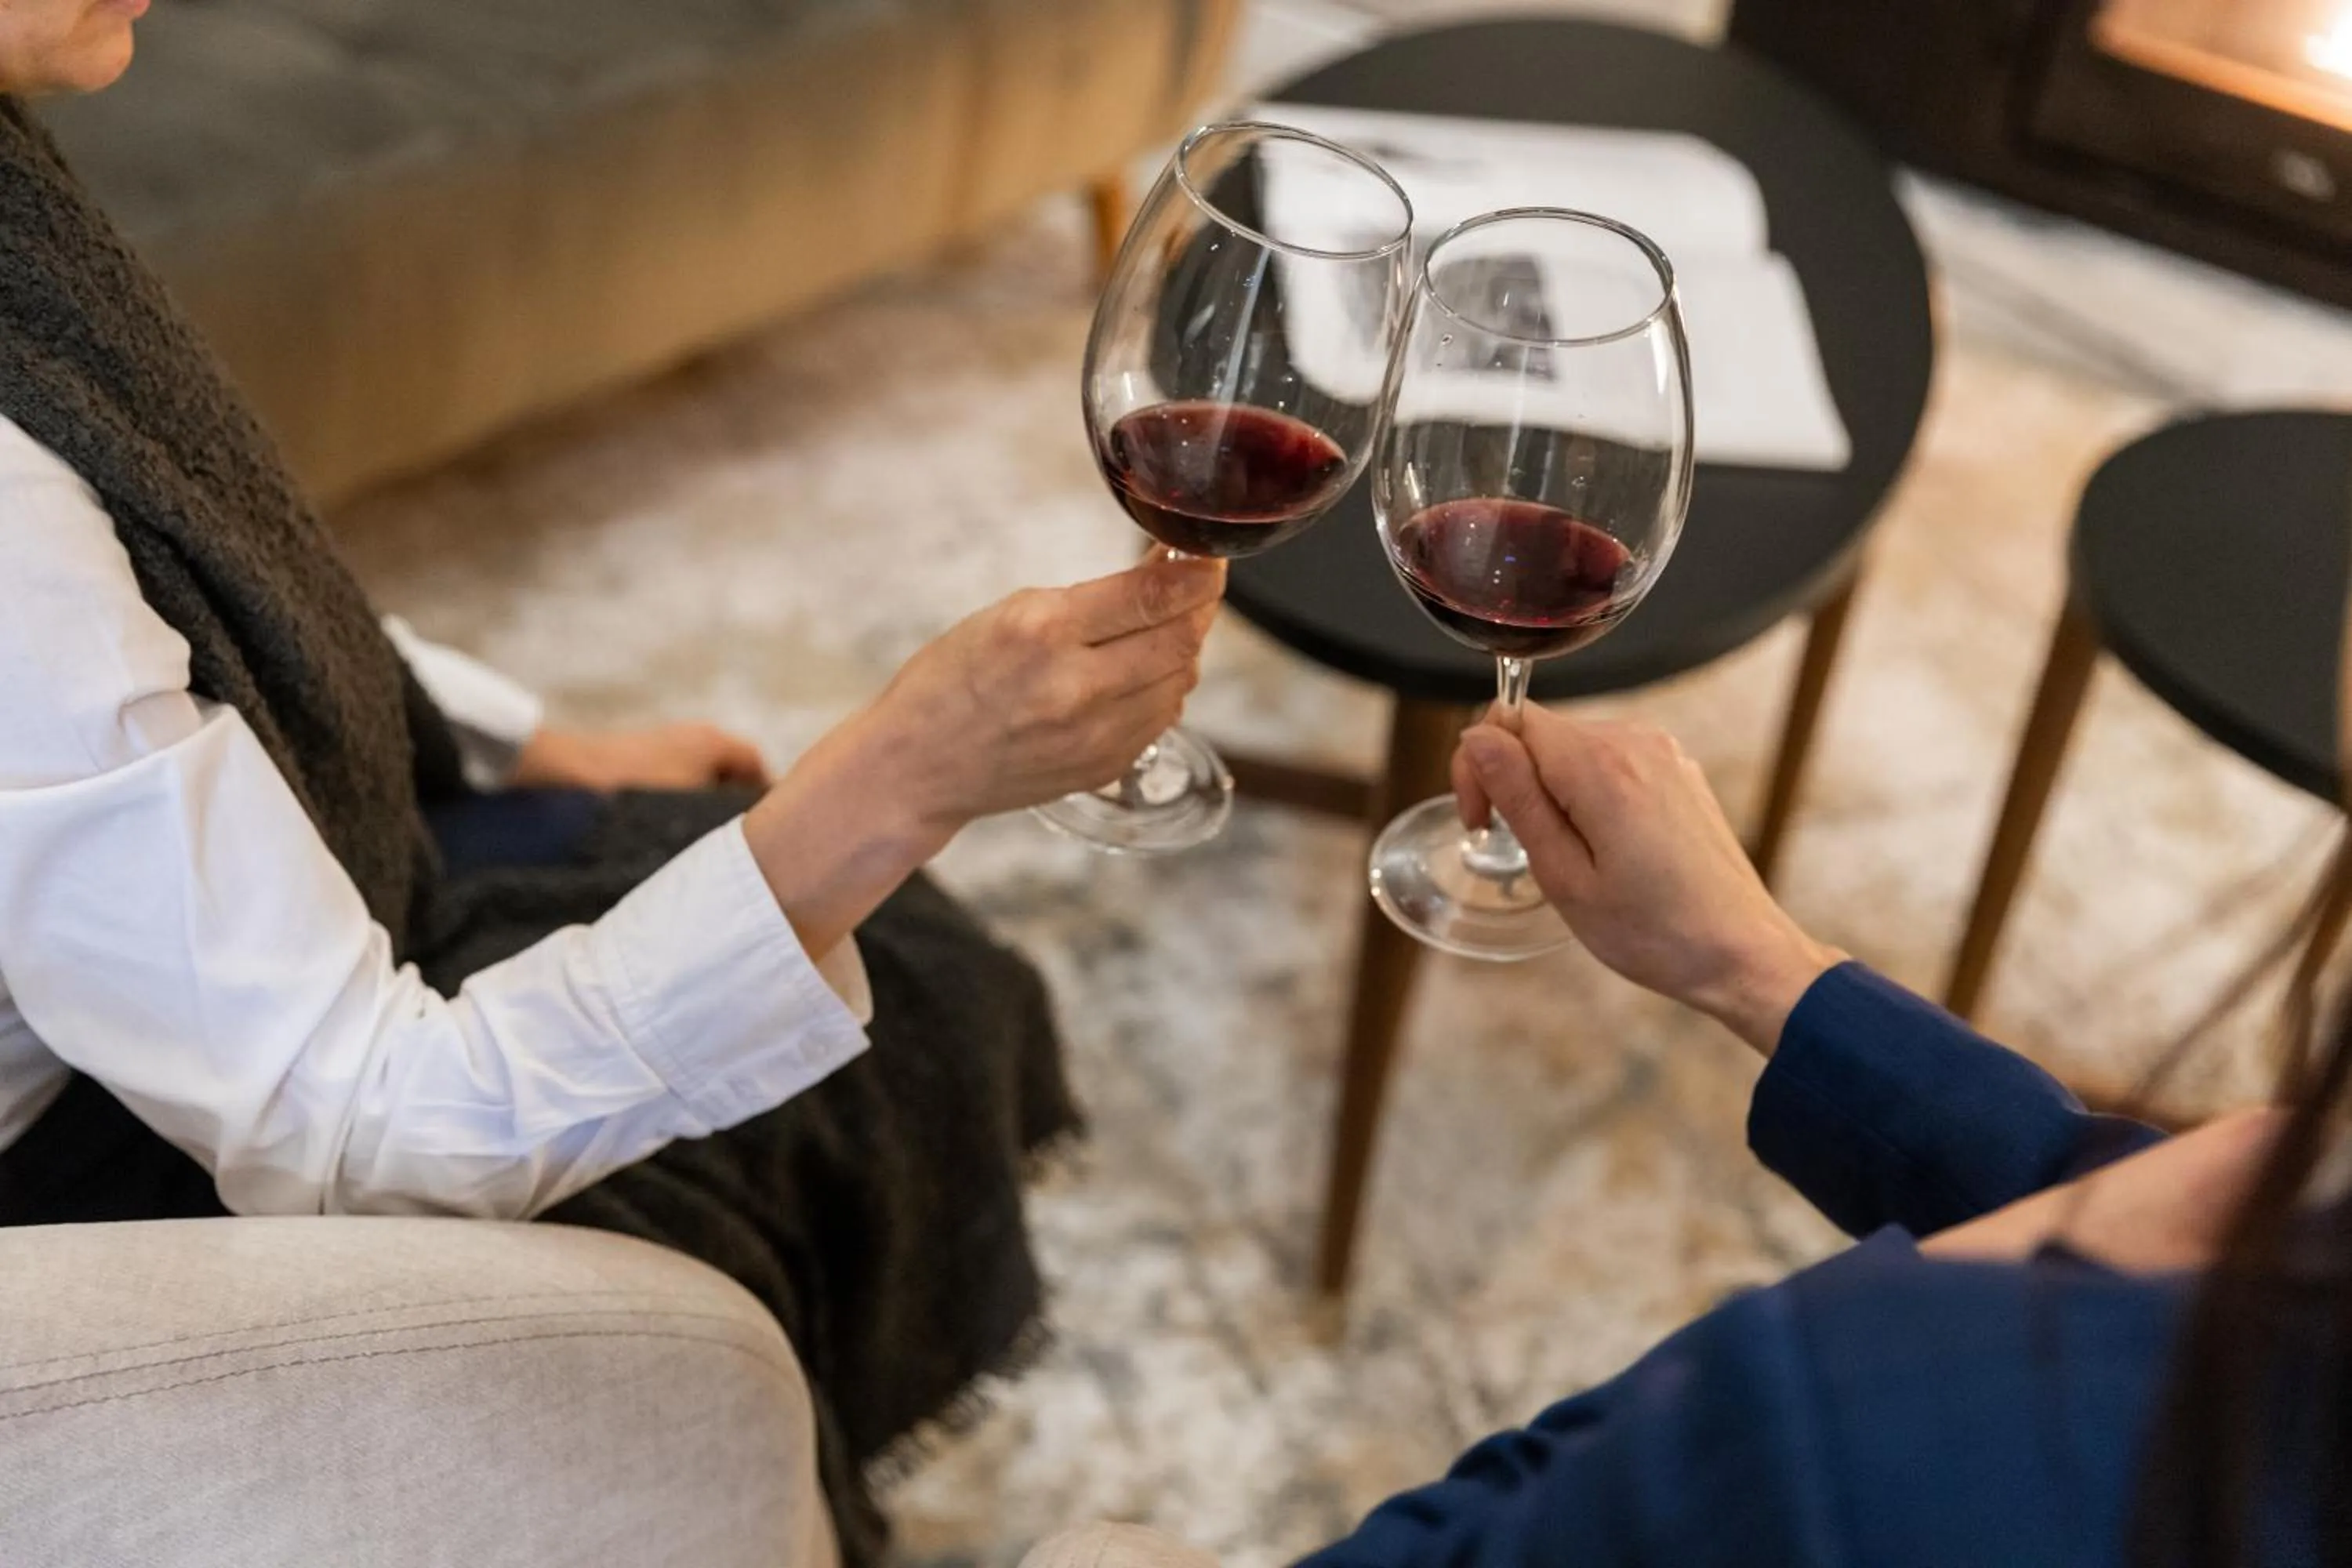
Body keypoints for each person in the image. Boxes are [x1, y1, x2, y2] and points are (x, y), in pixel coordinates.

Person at [0, 5, 1224, 1563]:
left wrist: (525, 741)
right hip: (139, 1161)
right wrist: (898, 785)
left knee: (903, 972)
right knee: (727, 1255)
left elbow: (186, 553)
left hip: (185, 954)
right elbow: (355, 1137)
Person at [1260, 703, 2319, 1566]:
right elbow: (2104, 1196)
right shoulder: (2289, 1236)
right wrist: (1765, 966)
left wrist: (1827, 1354)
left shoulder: (1862, 1439)